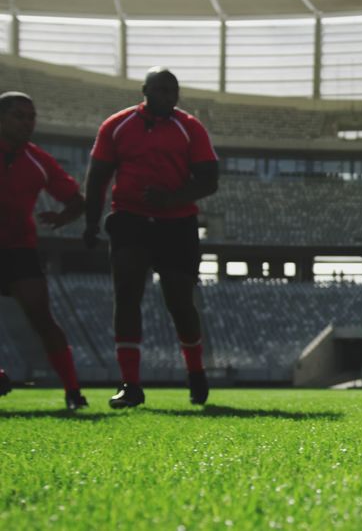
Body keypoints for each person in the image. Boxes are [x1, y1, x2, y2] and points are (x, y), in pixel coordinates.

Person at [83, 68, 219, 409]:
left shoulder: (190, 127)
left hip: (177, 223)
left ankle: (196, 372)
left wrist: (171, 198)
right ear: (145, 90)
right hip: (130, 218)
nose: (169, 96)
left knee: (178, 300)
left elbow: (209, 180)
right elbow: (97, 177)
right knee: (127, 294)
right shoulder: (117, 125)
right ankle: (130, 384)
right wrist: (90, 223)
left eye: (173, 90)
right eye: (161, 89)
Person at [0, 91, 88, 410]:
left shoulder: (38, 159)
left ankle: (73, 391)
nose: (27, 122)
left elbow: (77, 202)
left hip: (19, 248)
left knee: (42, 319)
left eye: (31, 117)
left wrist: (63, 217)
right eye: (19, 116)